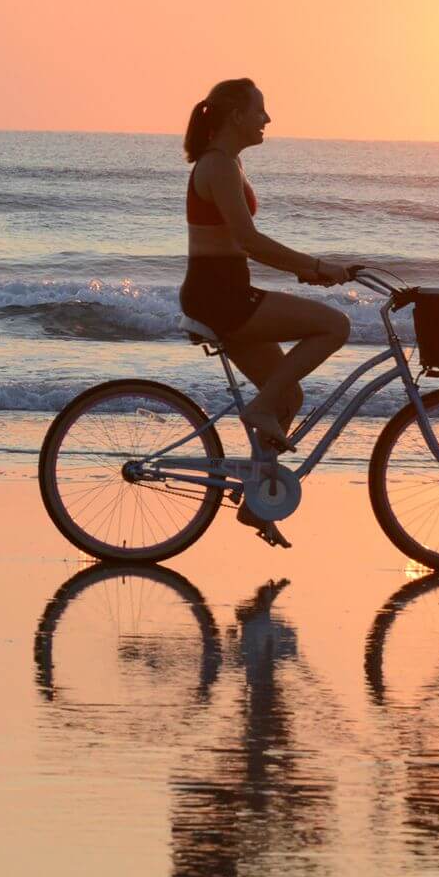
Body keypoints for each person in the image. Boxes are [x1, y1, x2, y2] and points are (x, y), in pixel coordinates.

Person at [180, 77, 356, 546]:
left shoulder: (228, 163)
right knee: (335, 325)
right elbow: (248, 241)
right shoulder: (217, 166)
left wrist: (307, 272)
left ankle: (258, 502)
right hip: (221, 299)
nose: (267, 119)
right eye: (260, 110)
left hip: (225, 292)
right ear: (236, 115)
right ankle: (257, 410)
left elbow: (239, 245)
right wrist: (314, 265)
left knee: (289, 400)